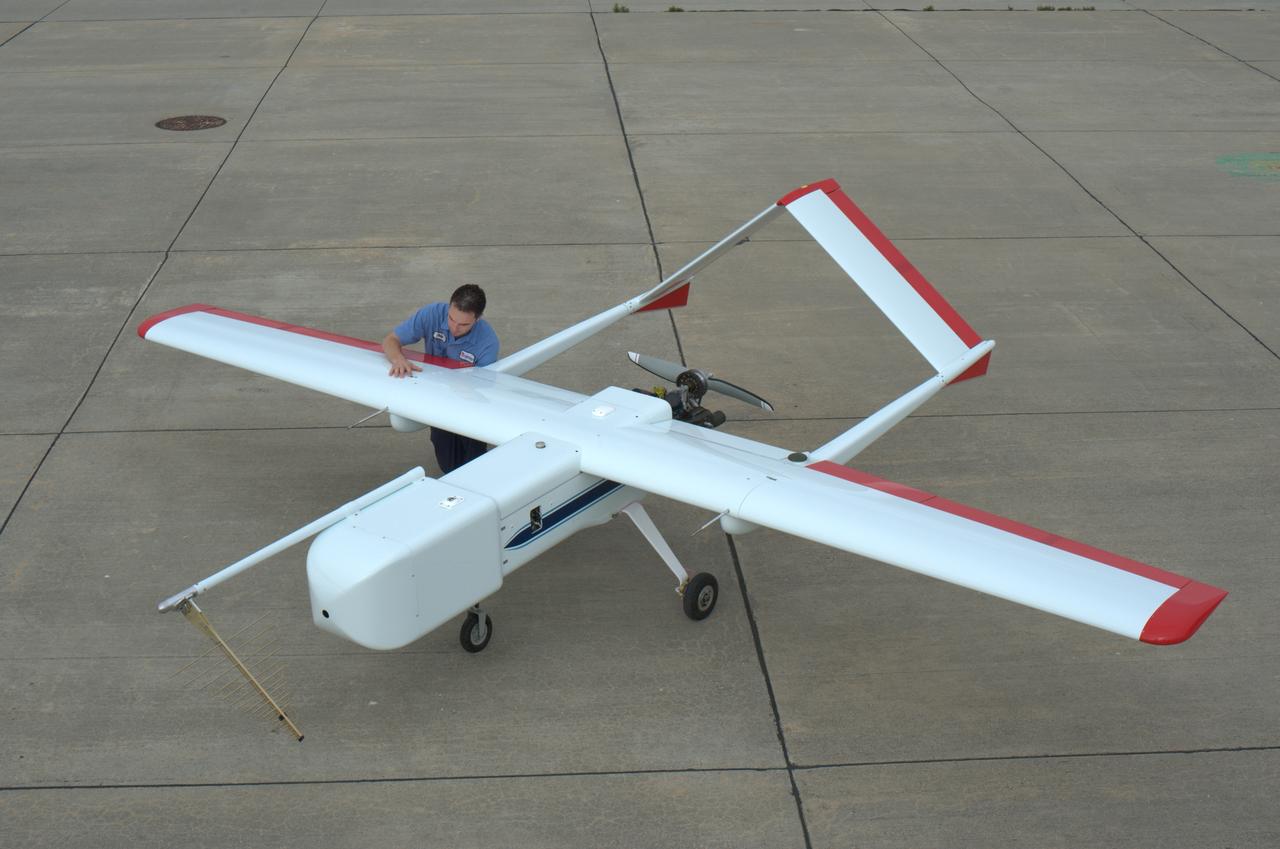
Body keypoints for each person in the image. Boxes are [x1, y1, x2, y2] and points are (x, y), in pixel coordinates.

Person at [382, 284, 499, 474]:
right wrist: (398, 359)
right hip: (438, 400)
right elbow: (390, 340)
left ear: (477, 319)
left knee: (473, 461)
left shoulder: (488, 343)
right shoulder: (432, 313)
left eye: (463, 324)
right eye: (451, 319)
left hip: (468, 403)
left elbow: (483, 390)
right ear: (449, 307)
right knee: (447, 463)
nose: (454, 327)